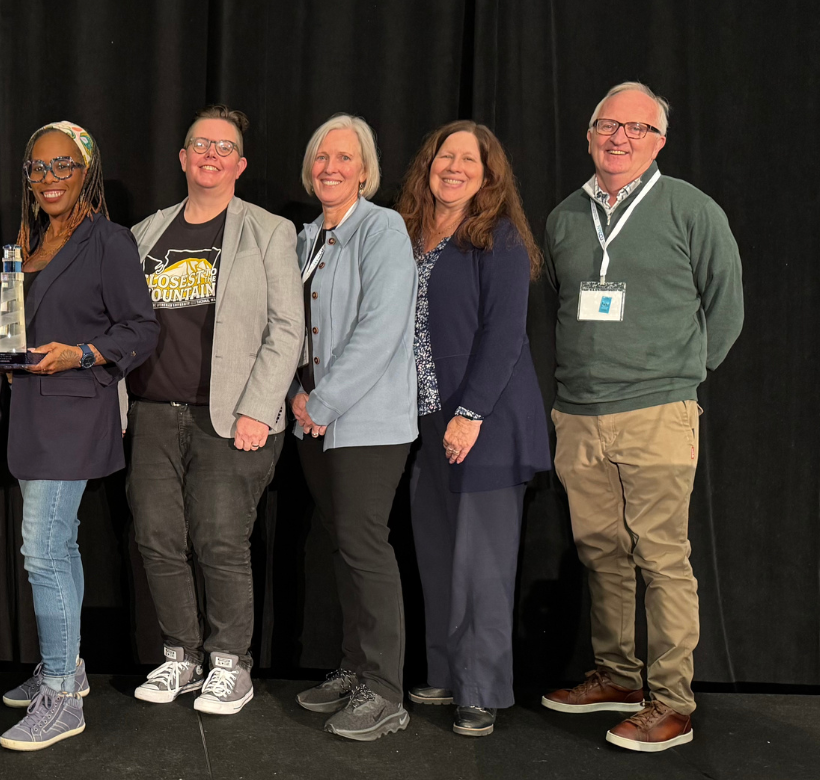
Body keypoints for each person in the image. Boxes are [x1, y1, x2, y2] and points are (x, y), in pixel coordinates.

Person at [540, 82, 743, 752]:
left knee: (661, 558)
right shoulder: (566, 216)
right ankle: (620, 677)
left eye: (636, 128)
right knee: (602, 552)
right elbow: (558, 307)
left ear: (659, 141)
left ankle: (672, 703)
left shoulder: (691, 209)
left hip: (657, 410)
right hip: (579, 412)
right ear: (589, 132)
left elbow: (726, 304)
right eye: (607, 124)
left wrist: (679, 374)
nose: (619, 137)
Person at [0, 121, 159, 750]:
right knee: (60, 546)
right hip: (29, 413)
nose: (49, 179)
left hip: (73, 414)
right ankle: (70, 668)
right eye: (38, 168)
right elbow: (24, 327)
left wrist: (80, 353)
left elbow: (140, 329)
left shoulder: (108, 241)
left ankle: (60, 696)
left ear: (86, 171)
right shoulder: (27, 242)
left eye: (62, 166)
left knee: (42, 551)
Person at [124, 106, 302, 714]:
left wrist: (259, 408)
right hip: (152, 411)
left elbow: (287, 329)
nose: (211, 155)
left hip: (230, 416)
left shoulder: (269, 231)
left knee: (222, 541)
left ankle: (231, 664)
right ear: (182, 157)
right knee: (157, 538)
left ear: (240, 164)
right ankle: (182, 656)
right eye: (201, 145)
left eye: (225, 148)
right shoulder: (145, 233)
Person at [394, 121, 552, 737]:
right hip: (425, 420)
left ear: (489, 176)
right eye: (444, 155)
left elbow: (506, 333)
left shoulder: (501, 239)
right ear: (427, 165)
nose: (454, 167)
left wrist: (472, 413)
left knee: (480, 565)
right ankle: (443, 672)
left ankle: (480, 689)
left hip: (482, 421)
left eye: (470, 159)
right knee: (435, 553)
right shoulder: (406, 234)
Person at [288, 114, 417, 741]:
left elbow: (381, 328)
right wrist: (294, 394)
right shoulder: (306, 236)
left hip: (365, 420)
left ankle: (386, 691)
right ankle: (356, 667)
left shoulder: (383, 229)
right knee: (341, 544)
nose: (330, 168)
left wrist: (323, 401)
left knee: (365, 545)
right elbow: (288, 325)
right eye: (321, 158)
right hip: (313, 417)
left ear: (365, 171)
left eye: (344, 158)